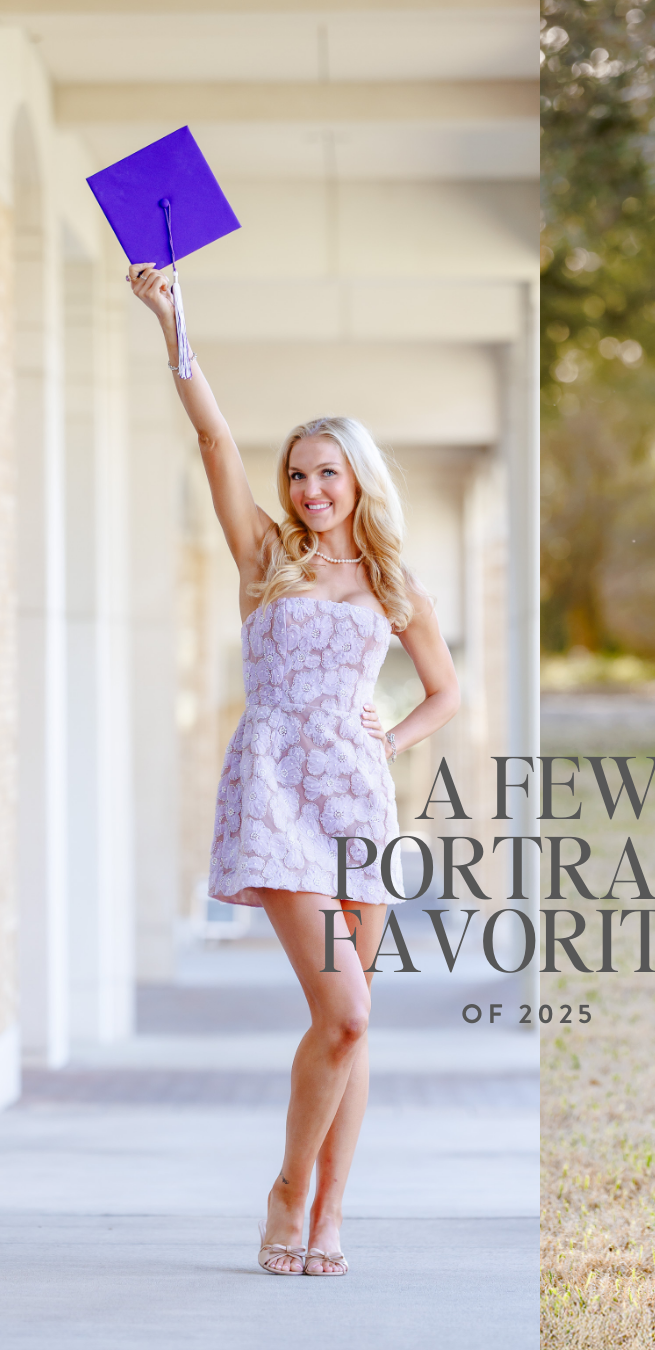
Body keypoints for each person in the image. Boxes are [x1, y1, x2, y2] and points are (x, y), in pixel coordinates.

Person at [129, 262, 459, 1277]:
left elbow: (447, 693)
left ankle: (329, 1218)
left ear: (358, 478)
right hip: (274, 790)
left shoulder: (393, 581)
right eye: (300, 473)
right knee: (345, 1009)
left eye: (328, 472)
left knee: (355, 1028)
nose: (310, 489)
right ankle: (286, 1185)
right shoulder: (264, 555)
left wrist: (388, 740)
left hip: (355, 797)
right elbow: (215, 441)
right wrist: (177, 329)